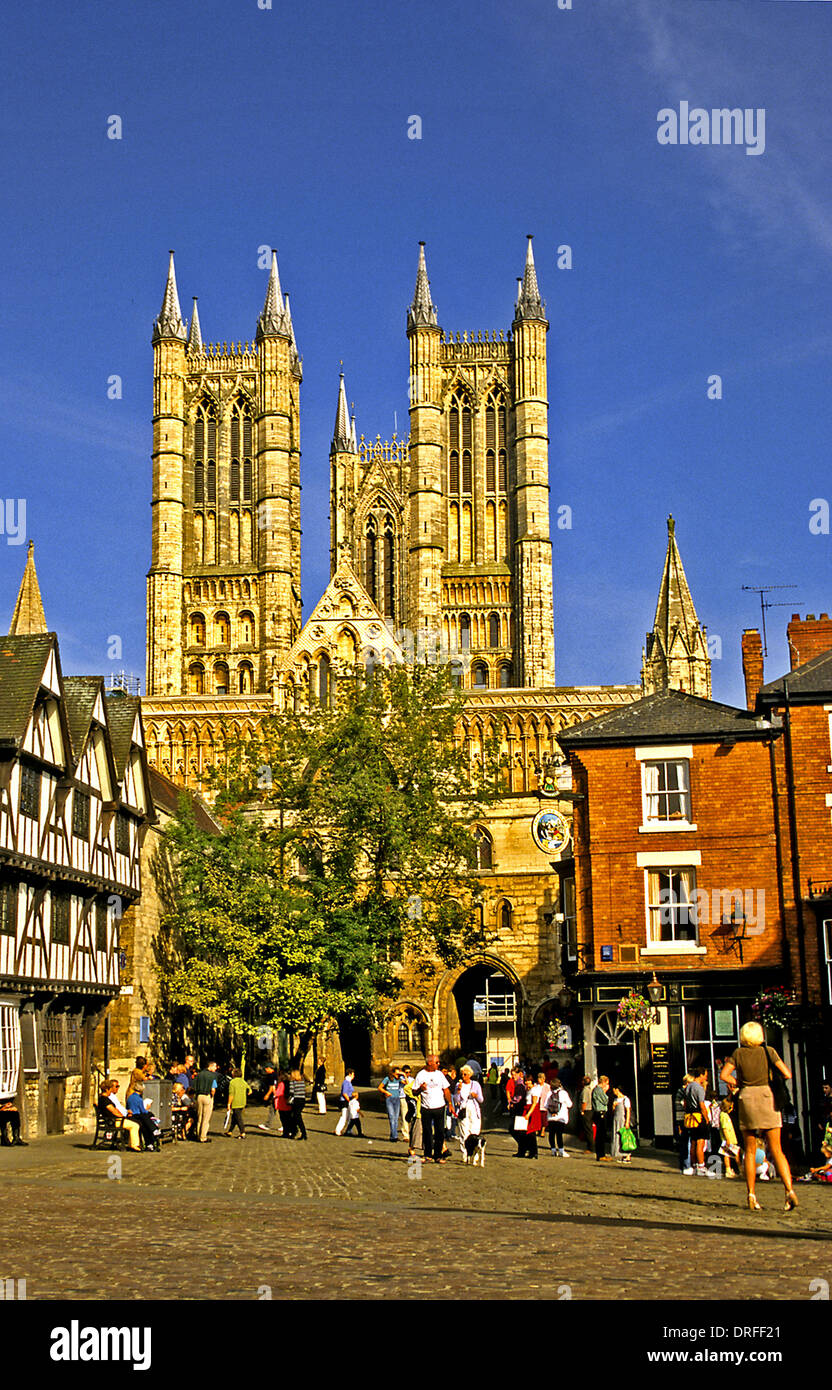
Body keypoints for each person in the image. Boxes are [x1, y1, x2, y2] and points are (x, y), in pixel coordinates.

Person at [720, 1022, 798, 1212]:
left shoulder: (738, 1053)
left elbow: (724, 1075)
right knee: (777, 1149)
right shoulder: (768, 1051)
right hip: (767, 1097)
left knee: (750, 1149)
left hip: (747, 1097)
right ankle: (789, 1191)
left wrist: (740, 1082)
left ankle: (751, 1194)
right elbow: (787, 1073)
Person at [413, 1055, 452, 1164]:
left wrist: (449, 1103)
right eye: (437, 1062)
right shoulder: (421, 1075)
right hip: (426, 1107)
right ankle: (427, 1154)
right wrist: (421, 1089)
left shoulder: (439, 1074)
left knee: (440, 1132)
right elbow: (414, 1092)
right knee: (427, 1132)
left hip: (439, 1106)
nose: (438, 1064)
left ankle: (438, 1155)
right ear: (430, 1063)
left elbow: (446, 1090)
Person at [682, 1068, 711, 1175]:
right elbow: (702, 1105)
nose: (706, 1077)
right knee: (700, 1142)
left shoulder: (688, 1087)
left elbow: (685, 1103)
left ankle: (693, 1166)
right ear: (701, 1075)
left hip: (690, 1116)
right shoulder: (699, 1088)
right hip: (699, 1116)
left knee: (693, 1142)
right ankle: (701, 1165)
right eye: (706, 1075)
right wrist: (707, 1118)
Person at [97, 1081, 141, 1151]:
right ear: (107, 1089)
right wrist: (122, 1116)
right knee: (135, 1125)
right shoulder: (105, 1100)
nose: (111, 1091)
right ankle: (134, 1145)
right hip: (113, 1121)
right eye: (110, 1089)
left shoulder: (101, 1098)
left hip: (112, 1120)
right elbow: (113, 1111)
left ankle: (131, 1143)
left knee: (134, 1123)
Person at [454, 1066, 484, 1163]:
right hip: (463, 1110)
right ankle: (465, 1155)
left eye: (465, 1074)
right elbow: (456, 1100)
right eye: (462, 1074)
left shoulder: (475, 1085)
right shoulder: (458, 1085)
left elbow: (481, 1100)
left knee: (474, 1132)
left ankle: (475, 1155)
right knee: (464, 1133)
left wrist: (476, 1096)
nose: (463, 1076)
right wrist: (458, 1091)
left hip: (473, 1109)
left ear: (470, 1075)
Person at [125, 1083, 161, 1150]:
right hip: (138, 1116)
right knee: (148, 1116)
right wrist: (147, 1108)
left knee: (145, 1124)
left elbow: (127, 1107)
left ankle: (149, 1142)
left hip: (131, 1116)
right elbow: (143, 1111)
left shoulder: (129, 1097)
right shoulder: (139, 1099)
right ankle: (153, 1131)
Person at [546, 1077, 572, 1156]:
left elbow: (545, 1105)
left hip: (551, 1117)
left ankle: (553, 1150)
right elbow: (570, 1104)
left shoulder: (549, 1093)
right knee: (559, 1134)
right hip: (561, 1116)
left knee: (551, 1134)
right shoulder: (563, 1093)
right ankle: (561, 1150)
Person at [378, 1066, 405, 1142]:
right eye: (396, 1073)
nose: (397, 1075)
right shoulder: (387, 1079)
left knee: (396, 1118)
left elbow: (407, 1083)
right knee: (391, 1117)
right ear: (392, 1073)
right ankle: (394, 1136)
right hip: (389, 1099)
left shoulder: (398, 1079)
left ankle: (392, 1136)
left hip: (397, 1099)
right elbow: (380, 1087)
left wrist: (404, 1075)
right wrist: (386, 1092)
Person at [521, 1073, 544, 1159]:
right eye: (526, 1081)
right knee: (527, 1132)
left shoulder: (535, 1090)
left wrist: (528, 1114)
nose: (527, 1082)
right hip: (527, 1109)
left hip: (532, 1111)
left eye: (528, 1081)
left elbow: (534, 1103)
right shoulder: (528, 1089)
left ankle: (534, 1152)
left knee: (531, 1132)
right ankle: (531, 1151)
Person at [194, 1061, 218, 1143]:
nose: (216, 1068)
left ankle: (198, 1134)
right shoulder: (212, 1076)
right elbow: (213, 1089)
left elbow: (194, 1085)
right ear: (210, 1066)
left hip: (199, 1096)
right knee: (206, 1118)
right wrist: (212, 1096)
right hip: (207, 1096)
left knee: (199, 1116)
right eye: (215, 1066)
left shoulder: (199, 1074)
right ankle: (203, 1137)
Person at [401, 1065, 422, 1156]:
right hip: (420, 1110)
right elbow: (406, 1088)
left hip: (431, 1109)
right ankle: (411, 1148)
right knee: (416, 1130)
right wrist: (415, 1096)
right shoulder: (417, 1081)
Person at [718, 1097, 740, 1177]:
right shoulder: (723, 1116)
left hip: (731, 1138)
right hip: (728, 1139)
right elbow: (725, 1128)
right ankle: (729, 1169)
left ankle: (732, 1169)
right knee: (728, 1155)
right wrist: (727, 1139)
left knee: (732, 1154)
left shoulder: (725, 1115)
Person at [507, 1067, 528, 1156]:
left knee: (515, 1129)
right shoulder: (517, 1082)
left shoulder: (520, 1084)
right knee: (517, 1129)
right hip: (518, 1107)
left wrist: (511, 1102)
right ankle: (522, 1149)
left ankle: (523, 1148)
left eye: (515, 1074)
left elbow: (518, 1097)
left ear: (519, 1074)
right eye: (512, 1074)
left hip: (519, 1107)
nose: (513, 1076)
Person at [591, 1075, 612, 1161]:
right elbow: (605, 1100)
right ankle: (600, 1155)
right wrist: (605, 1091)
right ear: (603, 1082)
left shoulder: (597, 1090)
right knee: (600, 1135)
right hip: (600, 1113)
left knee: (602, 1135)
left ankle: (602, 1154)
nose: (607, 1085)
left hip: (601, 1113)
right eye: (606, 1083)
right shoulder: (599, 1090)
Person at [226, 1068, 250, 1138]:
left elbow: (231, 1094)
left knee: (238, 1118)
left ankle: (242, 1132)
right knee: (235, 1117)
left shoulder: (232, 1082)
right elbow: (250, 1090)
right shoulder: (243, 1081)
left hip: (235, 1102)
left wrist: (228, 1104)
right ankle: (230, 1131)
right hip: (242, 1102)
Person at [610, 1084, 632, 1163]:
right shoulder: (616, 1099)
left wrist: (627, 1122)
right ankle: (621, 1154)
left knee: (624, 1138)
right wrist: (613, 1106)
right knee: (617, 1137)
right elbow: (613, 1111)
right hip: (616, 1120)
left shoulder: (625, 1099)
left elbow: (628, 1111)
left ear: (617, 1090)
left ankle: (628, 1155)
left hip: (622, 1120)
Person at [335, 1069, 358, 1136]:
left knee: (348, 1116)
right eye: (353, 1074)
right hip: (344, 1101)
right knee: (344, 1116)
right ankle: (338, 1130)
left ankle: (348, 1130)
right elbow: (344, 1093)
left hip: (347, 1100)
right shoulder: (346, 1082)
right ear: (350, 1074)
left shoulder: (349, 1082)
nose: (354, 1076)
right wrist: (349, 1100)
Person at [288, 1069, 308, 1140]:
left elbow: (291, 1092)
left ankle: (303, 1132)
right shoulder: (302, 1082)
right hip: (302, 1100)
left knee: (297, 1117)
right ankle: (295, 1132)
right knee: (296, 1116)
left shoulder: (292, 1082)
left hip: (296, 1100)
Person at [578, 1075, 594, 1152]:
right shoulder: (590, 1089)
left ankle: (590, 1147)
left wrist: (582, 1111)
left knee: (588, 1129)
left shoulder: (585, 1090)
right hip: (590, 1110)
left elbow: (584, 1102)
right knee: (589, 1129)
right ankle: (591, 1146)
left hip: (587, 1110)